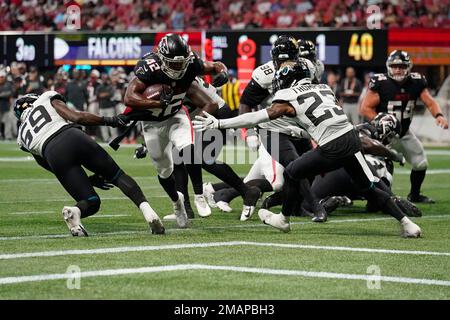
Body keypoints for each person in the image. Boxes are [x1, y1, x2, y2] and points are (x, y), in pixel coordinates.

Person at [193, 59, 422, 238]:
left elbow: (257, 116)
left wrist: (220, 123)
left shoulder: (288, 95)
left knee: (292, 171)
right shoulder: (324, 88)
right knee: (369, 187)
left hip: (333, 144)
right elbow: (319, 121)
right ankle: (407, 224)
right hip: (352, 139)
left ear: (288, 79)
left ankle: (283, 219)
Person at [14, 91, 164, 236]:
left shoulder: (21, 137)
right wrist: (110, 121)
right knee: (117, 176)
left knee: (91, 201)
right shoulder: (46, 98)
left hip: (53, 155)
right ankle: (148, 212)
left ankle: (75, 212)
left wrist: (87, 180)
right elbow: (76, 117)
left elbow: (45, 163)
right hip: (72, 136)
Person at [122, 33, 229, 226]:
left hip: (176, 116)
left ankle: (198, 195)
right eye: (173, 63)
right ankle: (177, 203)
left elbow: (215, 66)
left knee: (188, 149)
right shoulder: (149, 66)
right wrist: (153, 102)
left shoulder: (190, 62)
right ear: (162, 58)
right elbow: (129, 97)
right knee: (164, 171)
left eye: (181, 63)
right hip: (152, 123)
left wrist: (223, 72)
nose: (178, 68)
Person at [237, 35, 323, 221]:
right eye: (281, 60)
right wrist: (249, 131)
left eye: (289, 59)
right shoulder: (265, 73)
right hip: (272, 127)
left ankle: (294, 207)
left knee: (310, 167)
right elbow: (246, 102)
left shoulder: (308, 67)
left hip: (298, 126)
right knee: (292, 166)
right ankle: (317, 208)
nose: (285, 64)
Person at [360, 50, 449, 203]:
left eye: (401, 66)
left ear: (408, 67)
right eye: (395, 66)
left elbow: (429, 101)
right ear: (389, 67)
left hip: (404, 132)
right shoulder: (381, 82)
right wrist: (383, 122)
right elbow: (365, 108)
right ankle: (377, 199)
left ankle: (414, 194)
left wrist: (439, 115)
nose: (398, 69)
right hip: (382, 135)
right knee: (380, 168)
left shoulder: (417, 82)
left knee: (421, 163)